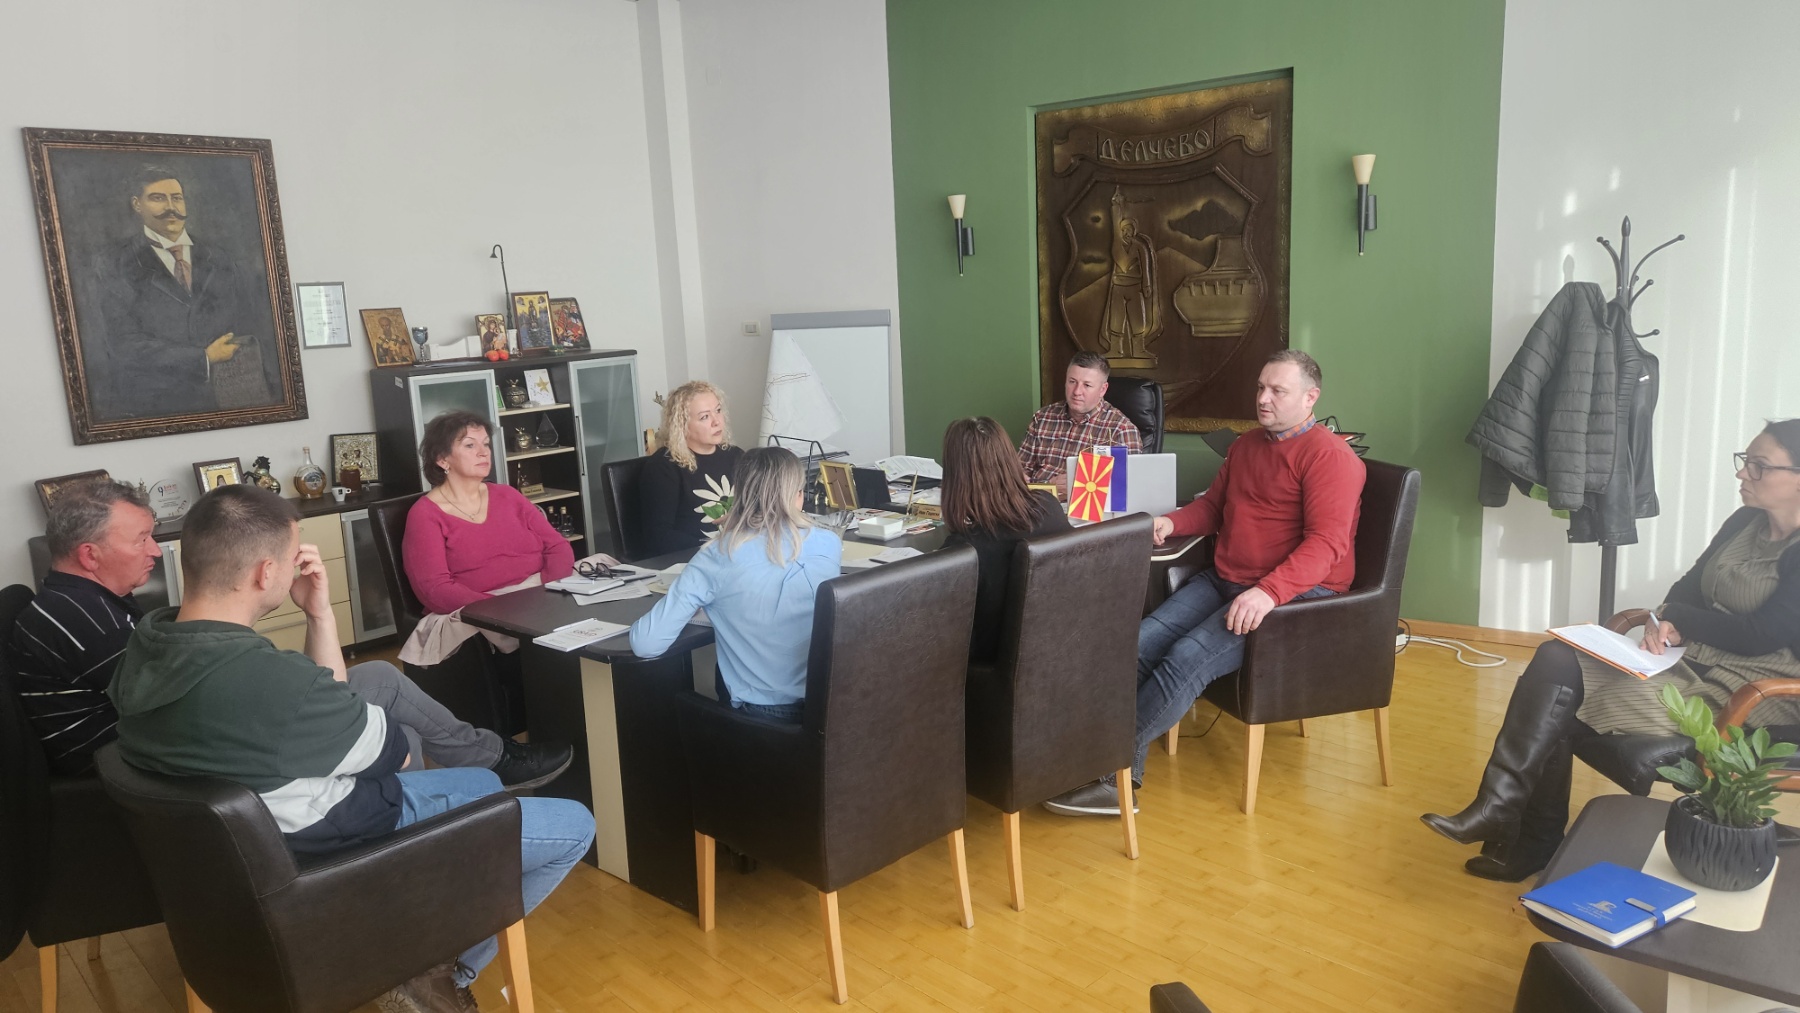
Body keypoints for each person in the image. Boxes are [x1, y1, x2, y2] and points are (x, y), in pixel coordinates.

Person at [108, 485, 594, 1010]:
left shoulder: (146, 647)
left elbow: (328, 711)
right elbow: (393, 754)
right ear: (266, 573)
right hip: (335, 851)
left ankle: (426, 916)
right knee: (574, 825)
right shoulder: (270, 682)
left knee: (482, 782)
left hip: (250, 848)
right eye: (292, 557)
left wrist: (319, 615)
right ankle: (438, 966)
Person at [1423, 420, 1800, 882]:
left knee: (1556, 703)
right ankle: (1497, 805)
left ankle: (1529, 836)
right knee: (1557, 658)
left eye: (1759, 466)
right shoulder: (1744, 522)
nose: (1742, 473)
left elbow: (1763, 633)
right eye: (1745, 461)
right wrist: (1668, 620)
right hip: (1690, 664)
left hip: (1752, 690)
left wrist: (1682, 619)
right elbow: (1686, 589)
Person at [7, 479, 569, 788]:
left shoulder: (92, 604)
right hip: (149, 775)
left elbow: (194, 681)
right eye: (141, 539)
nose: (155, 551)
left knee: (378, 678)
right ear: (89, 554)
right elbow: (180, 704)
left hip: (169, 749)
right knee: (396, 729)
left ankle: (480, 767)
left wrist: (316, 619)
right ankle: (442, 812)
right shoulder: (77, 618)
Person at [1044, 350, 1365, 816]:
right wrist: (1170, 522)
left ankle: (1106, 772)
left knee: (1185, 658)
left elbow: (1327, 544)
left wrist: (1268, 592)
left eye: (1278, 391)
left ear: (1310, 397)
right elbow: (1214, 507)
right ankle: (1114, 773)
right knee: (1137, 646)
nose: (1264, 398)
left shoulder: (1330, 457)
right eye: (1261, 387)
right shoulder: (1246, 445)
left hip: (1292, 596)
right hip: (1227, 579)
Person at [630, 447, 841, 722]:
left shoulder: (719, 554)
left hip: (758, 719)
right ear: (799, 495)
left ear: (738, 495)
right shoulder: (828, 543)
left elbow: (646, 644)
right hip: (827, 709)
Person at [401, 410, 576, 682]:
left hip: (539, 592)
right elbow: (435, 589)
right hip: (481, 608)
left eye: (486, 444)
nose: (483, 452)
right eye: (470, 445)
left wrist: (547, 590)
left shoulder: (508, 495)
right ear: (442, 459)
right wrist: (499, 608)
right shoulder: (425, 515)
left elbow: (558, 547)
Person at [92, 164, 278, 420]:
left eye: (177, 198)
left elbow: (254, 324)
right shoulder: (114, 263)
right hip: (155, 406)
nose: (171, 207)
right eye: (158, 198)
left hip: (230, 399)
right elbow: (122, 343)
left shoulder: (220, 258)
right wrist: (202, 358)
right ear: (137, 204)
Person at [940, 417, 1071, 663]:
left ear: (955, 477)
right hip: (1059, 653)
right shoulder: (1050, 506)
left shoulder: (964, 550)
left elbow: (944, 633)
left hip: (991, 670)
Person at [638, 380, 746, 557]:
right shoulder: (664, 467)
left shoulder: (736, 456)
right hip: (693, 558)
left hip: (738, 551)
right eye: (705, 417)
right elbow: (658, 536)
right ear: (682, 425)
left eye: (718, 411)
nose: (717, 422)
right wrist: (715, 548)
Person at [1016, 351, 1143, 488]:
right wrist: (1048, 485)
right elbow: (1019, 471)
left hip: (1085, 500)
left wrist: (1077, 486)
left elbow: (1129, 488)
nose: (1076, 392)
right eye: (1072, 382)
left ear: (1102, 389)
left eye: (1087, 385)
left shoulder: (1121, 430)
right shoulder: (1042, 417)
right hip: (1036, 497)